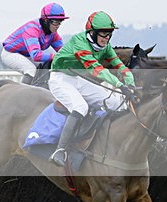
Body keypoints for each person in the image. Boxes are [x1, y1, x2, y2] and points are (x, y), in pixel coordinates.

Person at [48, 11, 136, 166]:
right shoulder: (79, 41)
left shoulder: (105, 46)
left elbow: (120, 65)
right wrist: (120, 85)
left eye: (109, 34)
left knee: (115, 103)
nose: (106, 38)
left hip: (77, 79)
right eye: (103, 34)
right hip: (59, 78)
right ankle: (59, 150)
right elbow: (95, 69)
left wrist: (131, 83)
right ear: (92, 32)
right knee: (81, 107)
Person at [1, 3, 67, 84]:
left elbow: (63, 52)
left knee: (46, 71)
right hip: (11, 54)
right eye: (55, 22)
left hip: (27, 55)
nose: (58, 26)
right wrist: (55, 56)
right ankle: (23, 95)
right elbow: (36, 55)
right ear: (46, 20)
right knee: (31, 70)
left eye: (60, 22)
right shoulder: (32, 29)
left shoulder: (53, 34)